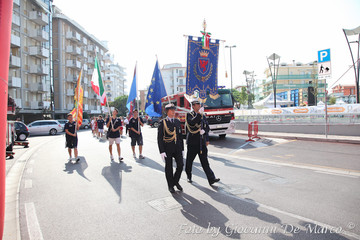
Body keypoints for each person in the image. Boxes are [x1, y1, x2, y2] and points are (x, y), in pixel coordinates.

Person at [185, 100, 220, 185]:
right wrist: (199, 115)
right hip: (192, 143)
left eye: (199, 104)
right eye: (197, 104)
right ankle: (189, 176)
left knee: (205, 162)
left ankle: (211, 179)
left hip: (201, 142)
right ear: (193, 106)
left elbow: (207, 127)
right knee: (189, 161)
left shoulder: (203, 116)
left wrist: (206, 137)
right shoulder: (189, 115)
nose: (199, 105)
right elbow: (192, 123)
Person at [157, 103, 184, 193]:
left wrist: (182, 148)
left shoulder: (177, 121)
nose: (173, 111)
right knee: (169, 168)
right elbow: (160, 138)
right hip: (167, 148)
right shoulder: (162, 122)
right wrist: (162, 151)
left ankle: (175, 181)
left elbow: (180, 136)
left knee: (180, 165)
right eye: (171, 110)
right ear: (167, 111)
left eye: (174, 109)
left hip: (177, 147)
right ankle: (170, 185)